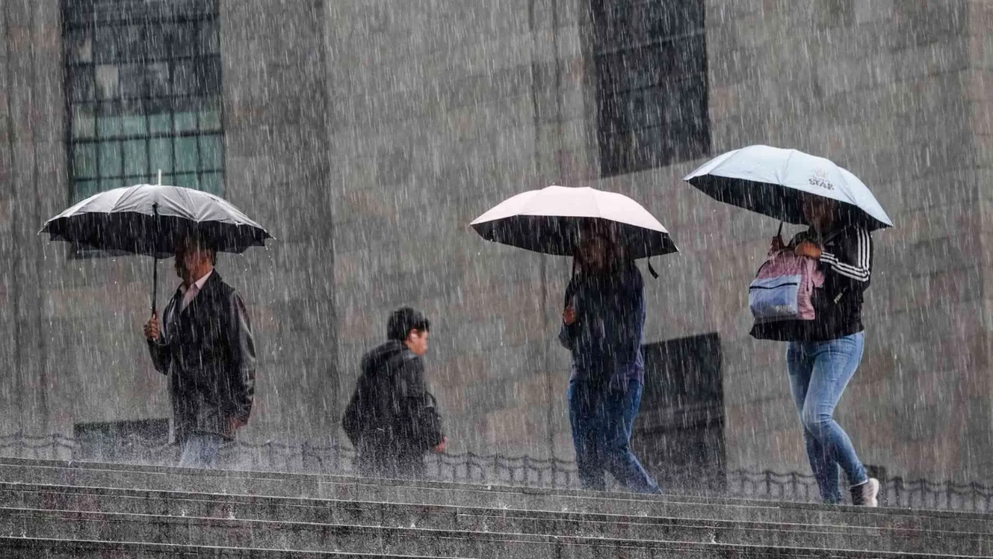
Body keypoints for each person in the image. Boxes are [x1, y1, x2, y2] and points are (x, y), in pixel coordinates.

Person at [753, 194, 879, 506]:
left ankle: (861, 482)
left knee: (817, 416)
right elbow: (793, 287)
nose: (810, 211)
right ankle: (830, 502)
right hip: (801, 343)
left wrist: (822, 255)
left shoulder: (856, 232)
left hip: (840, 340)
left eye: (817, 204)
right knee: (810, 429)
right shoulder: (801, 236)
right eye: (806, 205)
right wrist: (781, 256)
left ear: (833, 203)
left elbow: (861, 276)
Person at [558, 222, 660, 493]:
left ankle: (654, 500)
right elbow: (567, 340)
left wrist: (620, 375)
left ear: (608, 244)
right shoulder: (577, 284)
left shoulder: (628, 278)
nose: (587, 251)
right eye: (582, 245)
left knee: (612, 447)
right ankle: (598, 519)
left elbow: (633, 331)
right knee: (587, 456)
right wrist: (569, 323)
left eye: (593, 243)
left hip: (620, 375)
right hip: (583, 378)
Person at [143, 232, 256, 469]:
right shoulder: (173, 305)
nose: (179, 256)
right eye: (178, 250)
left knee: (186, 483)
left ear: (206, 253)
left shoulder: (226, 298)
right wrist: (155, 340)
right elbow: (167, 364)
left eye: (186, 249)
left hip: (212, 417)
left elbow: (244, 357)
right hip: (185, 418)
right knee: (198, 492)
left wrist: (239, 412)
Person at [343, 307, 445, 479]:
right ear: (413, 334)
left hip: (369, 465)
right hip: (402, 466)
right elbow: (415, 408)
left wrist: (371, 445)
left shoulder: (373, 368)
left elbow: (350, 418)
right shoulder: (409, 363)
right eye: (425, 339)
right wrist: (435, 438)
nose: (426, 347)